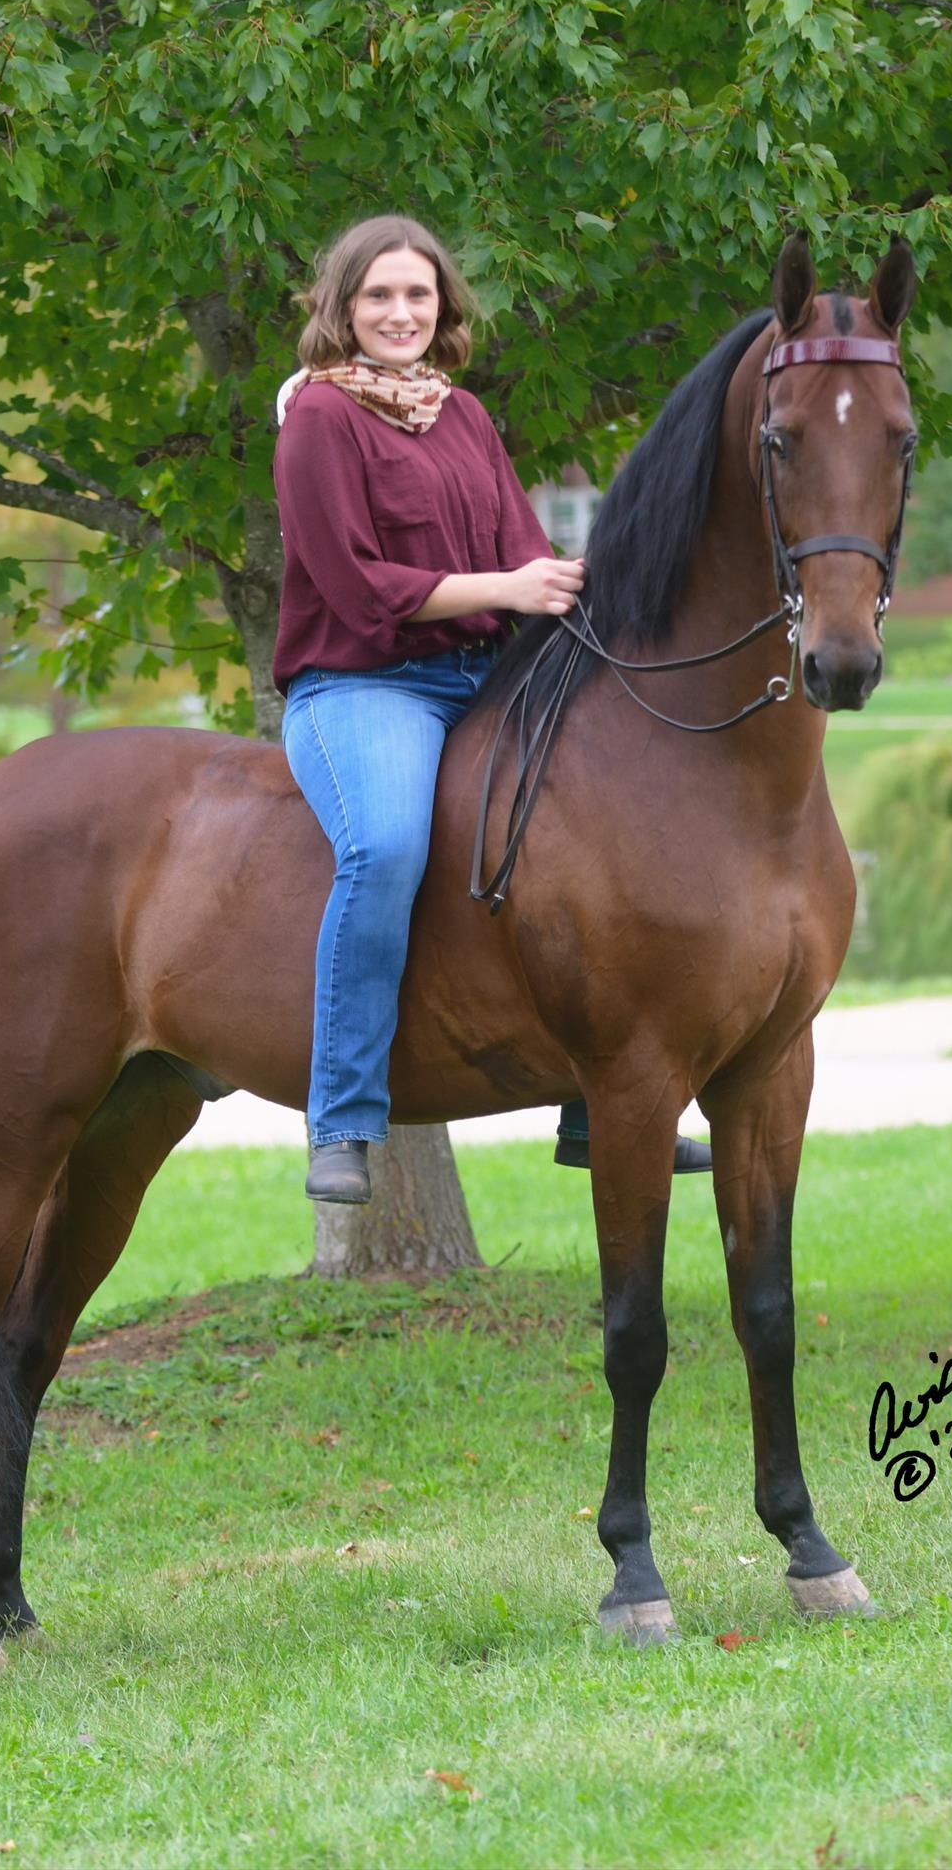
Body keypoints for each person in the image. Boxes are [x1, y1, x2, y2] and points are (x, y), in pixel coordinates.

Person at [274, 214, 711, 1205]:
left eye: (417, 294)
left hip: (481, 678)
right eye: (378, 295)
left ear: (445, 308)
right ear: (341, 309)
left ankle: (598, 1109)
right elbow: (355, 586)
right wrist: (507, 591)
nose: (399, 312)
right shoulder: (319, 419)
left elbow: (528, 559)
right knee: (384, 847)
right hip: (363, 681)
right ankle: (341, 1120)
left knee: (605, 827)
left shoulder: (461, 416)